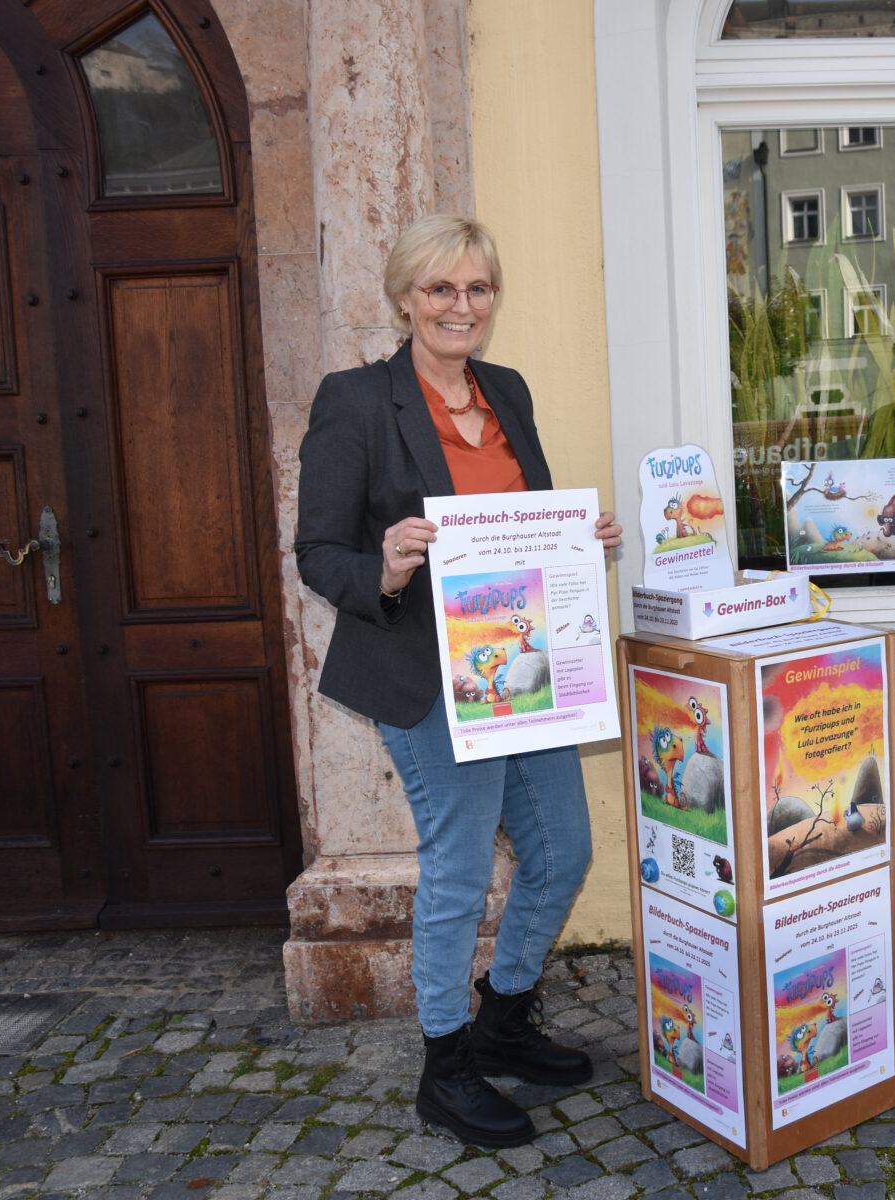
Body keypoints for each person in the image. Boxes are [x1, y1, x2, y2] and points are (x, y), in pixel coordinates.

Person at [295, 214, 623, 1148]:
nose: (460, 305)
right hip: (424, 672)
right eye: (440, 288)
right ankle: (446, 1067)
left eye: (477, 288)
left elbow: (524, 518)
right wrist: (388, 565)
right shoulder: (357, 400)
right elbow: (317, 550)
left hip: (523, 664)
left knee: (563, 851)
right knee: (460, 868)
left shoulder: (506, 390)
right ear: (405, 298)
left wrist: (575, 542)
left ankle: (504, 1018)